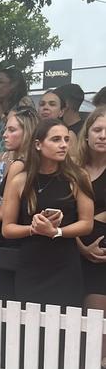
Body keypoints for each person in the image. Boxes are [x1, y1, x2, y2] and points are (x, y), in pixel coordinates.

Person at [1, 119, 93, 369]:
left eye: (66, 139)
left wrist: (56, 232)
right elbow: (7, 228)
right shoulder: (21, 179)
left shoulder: (76, 177)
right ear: (39, 144)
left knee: (63, 335)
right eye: (56, 139)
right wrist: (34, 227)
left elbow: (87, 223)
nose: (64, 144)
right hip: (31, 265)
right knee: (31, 334)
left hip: (64, 265)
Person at [0, 107, 39, 301]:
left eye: (12, 130)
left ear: (28, 131)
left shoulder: (28, 164)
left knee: (12, 295)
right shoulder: (3, 159)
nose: (5, 135)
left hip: (19, 236)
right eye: (5, 129)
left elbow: (6, 212)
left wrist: (0, 211)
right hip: (3, 235)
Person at [76, 106, 106, 313]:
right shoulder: (72, 169)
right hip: (72, 256)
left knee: (97, 330)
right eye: (97, 130)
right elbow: (64, 214)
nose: (103, 136)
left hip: (102, 260)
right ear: (86, 135)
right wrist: (81, 248)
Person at [0, 67, 32, 167]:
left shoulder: (23, 103)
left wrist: (1, 113)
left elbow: (27, 130)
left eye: (1, 82)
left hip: (13, 161)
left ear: (13, 85)